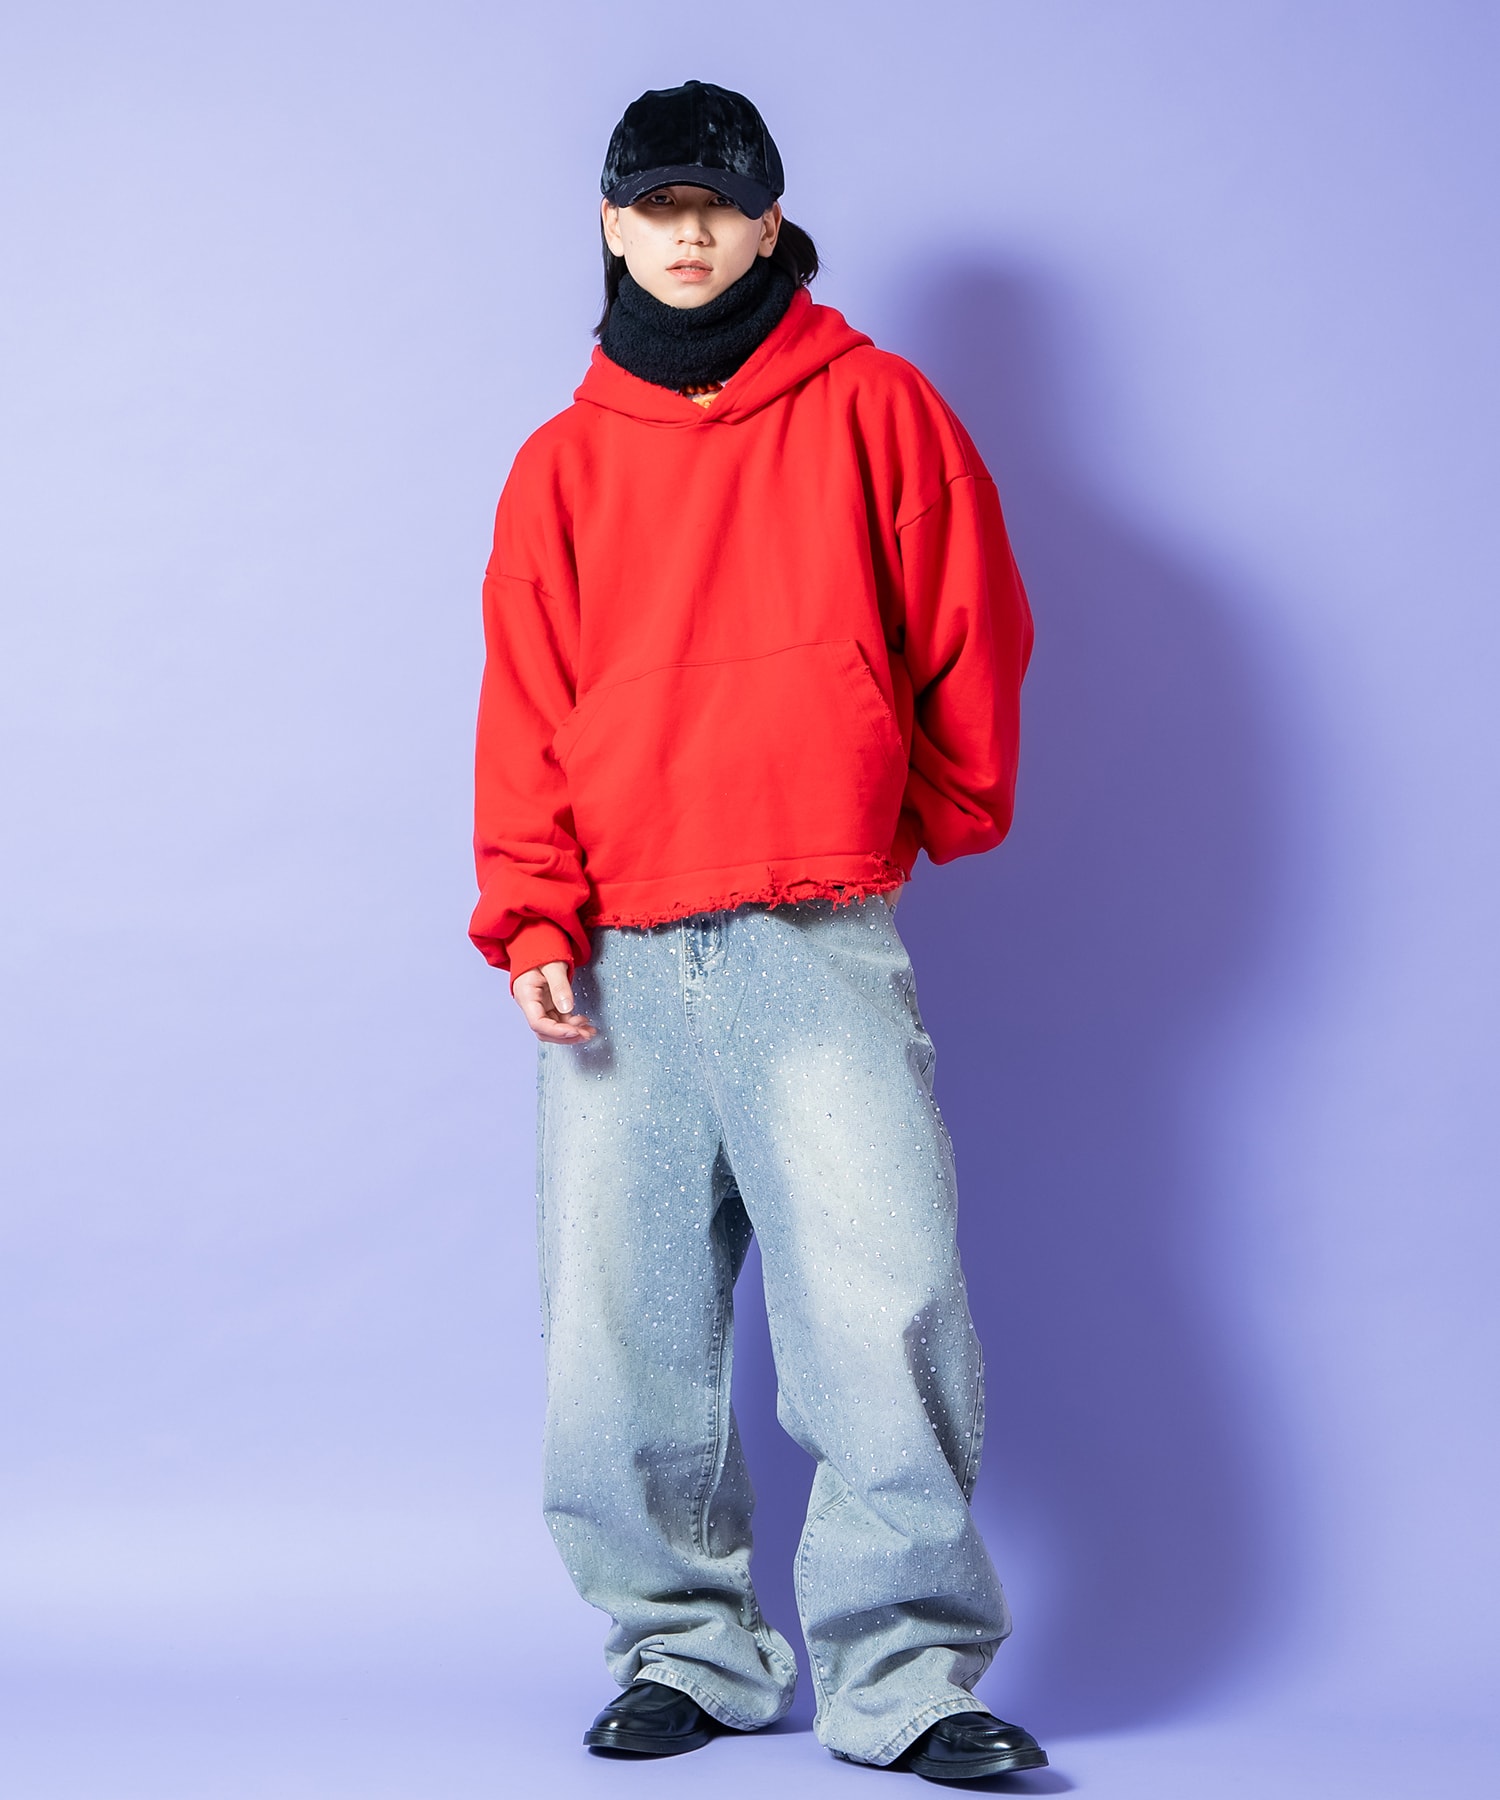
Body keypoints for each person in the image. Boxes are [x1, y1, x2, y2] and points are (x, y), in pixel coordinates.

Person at [470, 79, 1044, 1783]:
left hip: (813, 922)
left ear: (771, 221)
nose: (689, 231)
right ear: (611, 223)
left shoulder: (880, 408)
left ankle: (907, 1678)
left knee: (882, 1307)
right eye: (657, 204)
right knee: (621, 1334)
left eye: (718, 203)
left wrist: (912, 808)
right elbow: (526, 704)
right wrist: (532, 914)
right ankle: (684, 1651)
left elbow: (969, 619)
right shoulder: (562, 465)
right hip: (621, 945)